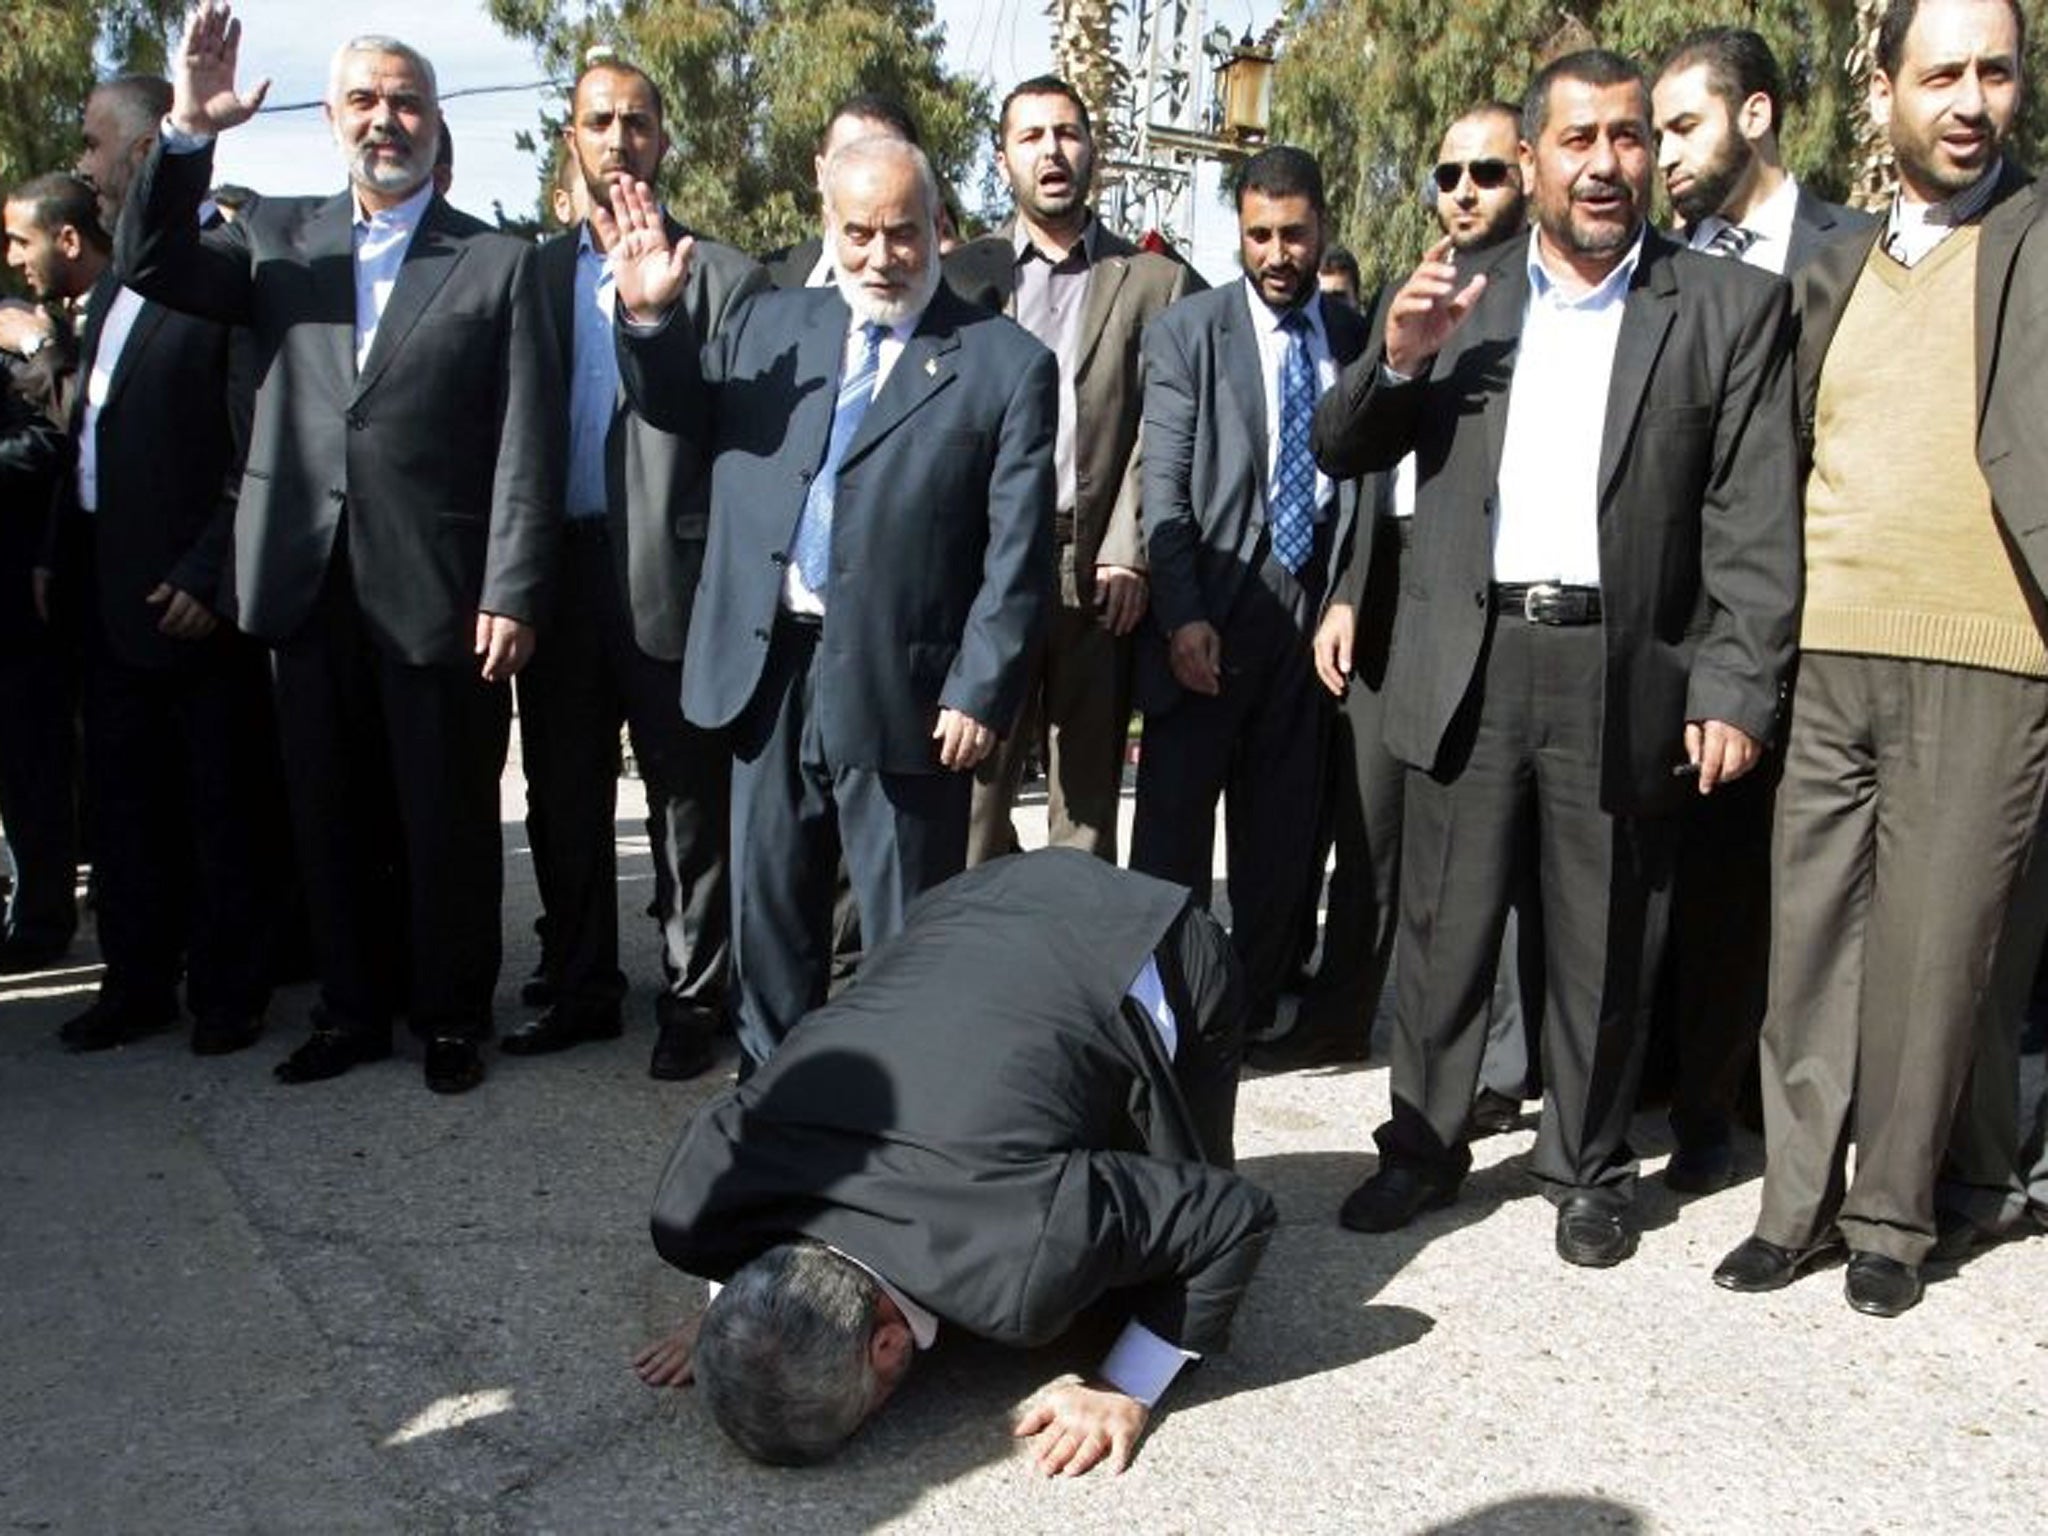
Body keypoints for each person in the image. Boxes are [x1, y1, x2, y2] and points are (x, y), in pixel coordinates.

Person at [1312, 49, 1800, 1267]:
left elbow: (1749, 520)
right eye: (1577, 140)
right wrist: (1399, 356)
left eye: (1627, 137)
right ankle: (1421, 1146)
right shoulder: (1456, 295)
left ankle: (1585, 1167)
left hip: (1617, 666)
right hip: (1468, 660)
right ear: (1530, 159)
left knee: (1605, 934)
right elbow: (1341, 447)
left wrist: (1734, 685)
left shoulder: (1725, 308)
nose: (1604, 164)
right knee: (1441, 929)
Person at [119, 5, 564, 1094]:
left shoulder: (498, 261)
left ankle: (450, 1016)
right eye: (363, 100)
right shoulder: (275, 241)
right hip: (304, 577)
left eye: (406, 102)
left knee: (446, 816)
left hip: (440, 587)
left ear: (435, 121)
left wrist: (512, 587)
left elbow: (526, 438)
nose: (385, 119)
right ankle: (352, 1011)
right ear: (330, 119)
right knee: (327, 815)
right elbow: (150, 260)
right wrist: (187, 131)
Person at [1715, 0, 2047, 1317]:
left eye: (1997, 73)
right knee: (1807, 943)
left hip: (1991, 654)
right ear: (1884, 90)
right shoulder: (1832, 267)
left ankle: (1893, 1222)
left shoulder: (2036, 240)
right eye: (1943, 73)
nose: (1971, 101)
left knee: (1931, 952)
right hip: (1829, 652)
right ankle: (1791, 1208)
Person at [602, 135, 1054, 1066]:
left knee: (902, 939)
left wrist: (981, 686)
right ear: (828, 225)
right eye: (858, 234)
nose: (881, 256)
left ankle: (894, 1120)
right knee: (768, 917)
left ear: (938, 225)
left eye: (902, 232)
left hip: (907, 689)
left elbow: (1017, 554)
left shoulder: (1004, 363)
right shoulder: (769, 324)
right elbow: (676, 409)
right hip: (768, 671)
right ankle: (773, 1106)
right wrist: (648, 321)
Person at [634, 849, 1275, 1476]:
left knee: (1159, 1258)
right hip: (982, 896)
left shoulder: (1022, 1258)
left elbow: (1232, 1217)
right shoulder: (694, 1209)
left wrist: (1123, 1386)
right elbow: (735, 1140)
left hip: (1145, 939)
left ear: (887, 1345)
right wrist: (742, 1324)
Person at [1264, 102, 1544, 1104]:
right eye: (1447, 174)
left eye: (1485, 172)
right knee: (1367, 827)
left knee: (1489, 849)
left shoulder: (1551, 297)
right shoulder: (1411, 287)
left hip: (1488, 593)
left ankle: (1500, 1067)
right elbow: (1355, 459)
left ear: (1527, 171)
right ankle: (1340, 1016)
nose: (1463, 191)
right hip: (1388, 589)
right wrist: (1347, 592)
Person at [1647, 28, 1878, 1195]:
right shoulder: (1655, 265)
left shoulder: (1858, 250)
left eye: (1681, 126)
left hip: (1827, 607)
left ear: (1755, 115)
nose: (1660, 155)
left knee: (1800, 880)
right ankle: (1686, 1096)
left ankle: (1771, 1103)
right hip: (1688, 615)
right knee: (1698, 870)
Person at [507, 60, 767, 1081]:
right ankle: (579, 986)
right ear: (570, 139)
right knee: (561, 793)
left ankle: (695, 996)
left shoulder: (723, 275)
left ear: (665, 139)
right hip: (559, 571)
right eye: (599, 121)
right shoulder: (530, 277)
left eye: (638, 121)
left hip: (673, 575)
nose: (619, 138)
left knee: (687, 803)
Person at [30, 83, 281, 1060]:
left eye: (95, 146)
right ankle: (135, 984)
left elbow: (251, 439)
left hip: (189, 597)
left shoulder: (223, 269)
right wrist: (58, 552)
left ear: (143, 155)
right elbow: (87, 431)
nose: (84, 165)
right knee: (125, 807)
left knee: (216, 805)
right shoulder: (113, 288)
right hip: (107, 589)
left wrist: (210, 571)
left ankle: (228, 991)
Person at [1130, 145, 1370, 1044]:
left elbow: (1371, 489)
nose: (1277, 254)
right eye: (1259, 235)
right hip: (1210, 609)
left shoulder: (1356, 338)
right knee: (1173, 839)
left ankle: (1250, 1007)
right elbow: (1164, 489)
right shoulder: (1189, 332)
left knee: (1281, 839)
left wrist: (1346, 596)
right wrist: (1182, 615)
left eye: (1294, 235)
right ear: (1239, 232)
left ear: (1322, 227)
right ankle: (1164, 1015)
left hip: (1311, 618)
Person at [945, 75, 1198, 865]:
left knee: (1085, 809)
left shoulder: (1155, 281)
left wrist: (1131, 548)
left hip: (1099, 576)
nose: (1050, 152)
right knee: (973, 797)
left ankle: (1070, 946)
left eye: (1067, 133)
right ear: (1002, 158)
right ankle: (980, 938)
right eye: (1030, 136)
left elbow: (1165, 425)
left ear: (1094, 149)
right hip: (988, 570)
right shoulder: (964, 278)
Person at [0, 283, 73, 977]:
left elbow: (52, 438)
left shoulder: (13, 331)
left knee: (28, 765)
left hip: (13, 596)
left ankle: (40, 918)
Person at [762, 93, 922, 291]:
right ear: (821, 173)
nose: (867, 181)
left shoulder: (952, 293)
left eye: (884, 163)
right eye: (849, 162)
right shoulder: (765, 283)